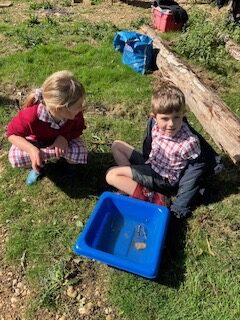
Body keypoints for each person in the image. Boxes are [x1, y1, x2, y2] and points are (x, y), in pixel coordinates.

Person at [106, 84, 201, 207]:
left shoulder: (189, 142)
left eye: (177, 117)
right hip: (151, 163)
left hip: (163, 178)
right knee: (117, 145)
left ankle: (155, 199)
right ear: (154, 117)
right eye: (165, 118)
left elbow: (196, 168)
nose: (171, 124)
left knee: (111, 175)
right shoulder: (155, 125)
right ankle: (133, 185)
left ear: (183, 114)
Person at [6, 70, 87, 185]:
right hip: (37, 143)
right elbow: (11, 134)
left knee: (80, 151)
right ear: (60, 109)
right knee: (16, 157)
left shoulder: (76, 114)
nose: (82, 108)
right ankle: (39, 167)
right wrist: (32, 150)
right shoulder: (31, 116)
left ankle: (67, 165)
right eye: (78, 105)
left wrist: (64, 137)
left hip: (63, 142)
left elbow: (78, 129)